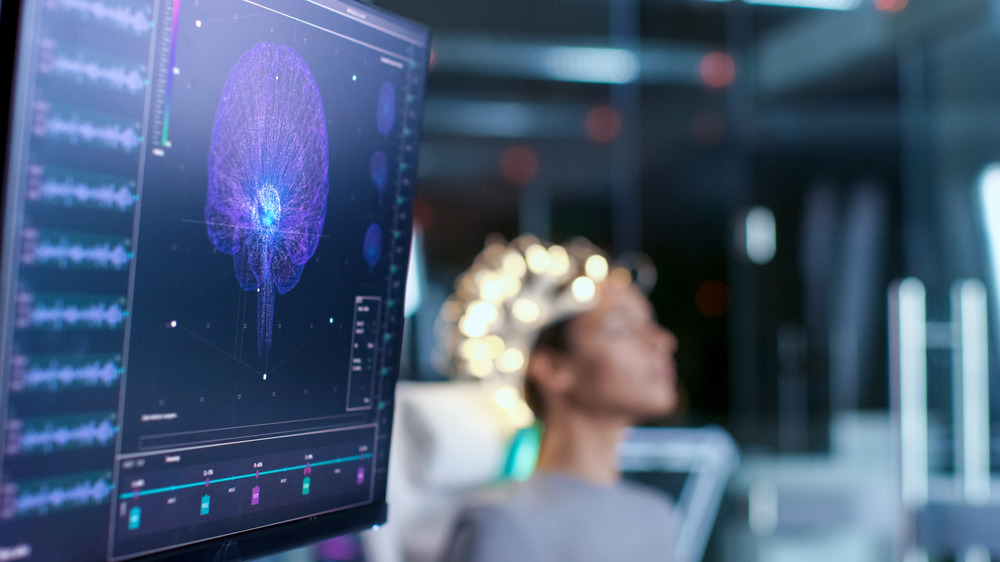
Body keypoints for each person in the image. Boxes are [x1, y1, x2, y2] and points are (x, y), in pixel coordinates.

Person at [437, 235, 681, 562]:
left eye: (651, 324)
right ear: (553, 367)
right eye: (621, 328)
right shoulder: (501, 526)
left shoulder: (656, 517)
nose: (663, 342)